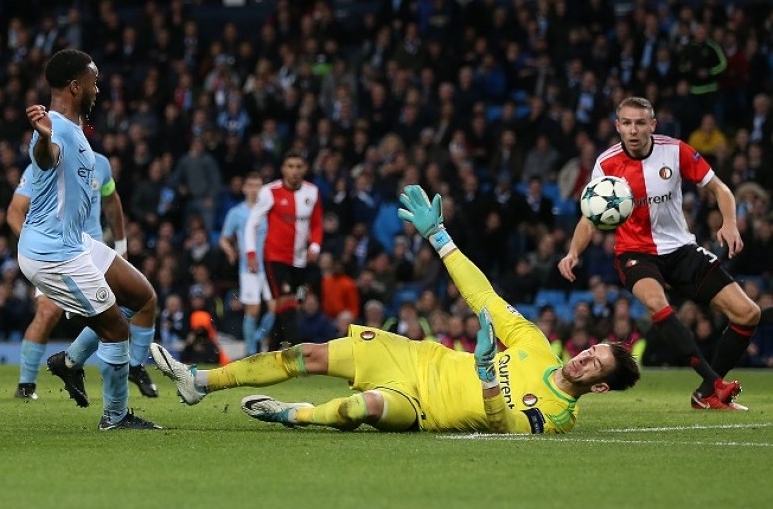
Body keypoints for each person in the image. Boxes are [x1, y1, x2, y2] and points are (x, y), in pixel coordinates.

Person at [151, 185, 640, 435]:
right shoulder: (535, 345)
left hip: (422, 408)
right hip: (418, 358)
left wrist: (489, 374)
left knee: (361, 408)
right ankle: (199, 382)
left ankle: (294, 415)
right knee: (304, 355)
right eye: (592, 349)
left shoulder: (557, 418)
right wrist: (439, 239)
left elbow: (502, 428)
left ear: (598, 385)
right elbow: (484, 297)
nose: (585, 356)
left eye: (595, 363)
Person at [558, 96, 771, 410]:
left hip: (681, 249)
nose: (633, 130)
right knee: (658, 303)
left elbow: (720, 189)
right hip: (635, 253)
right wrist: (573, 252)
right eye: (626, 123)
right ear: (617, 126)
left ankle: (705, 393)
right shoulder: (606, 163)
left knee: (748, 313)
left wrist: (730, 223)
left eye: (640, 122)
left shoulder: (675, 150)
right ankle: (716, 384)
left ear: (652, 125)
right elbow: (591, 216)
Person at [18, 49, 160, 430]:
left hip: (76, 243)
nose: (98, 89)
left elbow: (107, 199)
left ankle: (69, 362)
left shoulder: (77, 131)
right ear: (76, 86)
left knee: (142, 295)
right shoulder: (57, 128)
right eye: (94, 82)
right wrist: (43, 139)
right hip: (52, 254)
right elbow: (45, 157)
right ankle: (115, 417)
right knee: (116, 328)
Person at [9, 155, 159, 401]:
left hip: (91, 249)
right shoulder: (41, 163)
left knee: (137, 302)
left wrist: (121, 246)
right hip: (54, 252)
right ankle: (27, 384)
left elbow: (111, 201)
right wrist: (32, 242)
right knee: (48, 311)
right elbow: (15, 210)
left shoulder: (100, 164)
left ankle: (131, 368)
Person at [243, 151, 322, 349]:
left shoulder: (312, 192)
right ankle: (297, 349)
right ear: (283, 169)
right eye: (290, 166)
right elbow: (252, 223)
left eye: (298, 166)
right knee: (286, 299)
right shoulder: (270, 191)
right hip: (275, 257)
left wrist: (315, 246)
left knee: (290, 303)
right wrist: (251, 253)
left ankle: (271, 350)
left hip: (300, 259)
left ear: (305, 169)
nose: (294, 171)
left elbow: (317, 223)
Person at [219, 171, 276, 356]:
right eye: (250, 185)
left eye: (258, 185)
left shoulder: (268, 211)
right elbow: (224, 239)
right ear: (244, 188)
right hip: (248, 267)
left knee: (275, 308)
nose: (254, 189)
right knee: (253, 309)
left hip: (270, 265)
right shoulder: (236, 213)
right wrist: (229, 251)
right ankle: (251, 352)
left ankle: (258, 338)